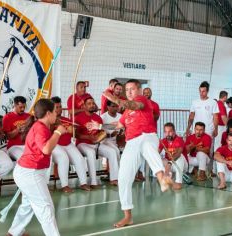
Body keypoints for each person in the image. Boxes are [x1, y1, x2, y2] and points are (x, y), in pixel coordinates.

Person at [102, 79, 173, 228]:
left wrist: (114, 98)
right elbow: (118, 125)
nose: (128, 92)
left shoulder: (142, 100)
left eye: (132, 89)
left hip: (147, 135)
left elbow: (133, 104)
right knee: (123, 178)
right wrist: (99, 125)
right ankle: (128, 216)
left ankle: (161, 178)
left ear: (139, 90)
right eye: (126, 89)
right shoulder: (127, 112)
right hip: (132, 142)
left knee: (147, 145)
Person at [7, 99, 67, 236]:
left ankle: (14, 232)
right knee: (46, 207)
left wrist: (57, 131)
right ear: (48, 113)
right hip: (30, 173)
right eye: (55, 112)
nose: (57, 115)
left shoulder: (41, 126)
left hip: (27, 172)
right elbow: (46, 149)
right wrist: (58, 133)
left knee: (28, 205)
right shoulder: (40, 127)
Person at [75, 97, 119, 187]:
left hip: (96, 144)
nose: (92, 105)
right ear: (84, 106)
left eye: (93, 103)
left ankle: (114, 178)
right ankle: (93, 182)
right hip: (82, 144)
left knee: (112, 151)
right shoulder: (78, 118)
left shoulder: (98, 118)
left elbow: (101, 133)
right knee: (90, 152)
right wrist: (88, 137)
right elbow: (76, 135)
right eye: (89, 104)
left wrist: (99, 138)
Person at [50, 96, 90, 192]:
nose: (59, 109)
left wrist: (72, 130)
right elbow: (48, 133)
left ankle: (83, 183)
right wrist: (55, 124)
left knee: (79, 159)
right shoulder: (50, 120)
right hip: (56, 145)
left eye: (60, 107)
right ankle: (65, 185)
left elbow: (73, 134)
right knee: (63, 158)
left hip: (68, 144)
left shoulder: (66, 119)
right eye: (57, 107)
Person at [158, 123, 187, 190]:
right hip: (170, 166)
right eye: (166, 132)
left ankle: (178, 182)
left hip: (181, 165)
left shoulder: (179, 139)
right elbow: (157, 153)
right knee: (160, 159)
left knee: (180, 156)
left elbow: (179, 153)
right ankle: (167, 176)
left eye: (170, 132)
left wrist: (170, 163)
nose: (167, 134)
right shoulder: (163, 141)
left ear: (174, 131)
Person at [2, 96, 30, 160]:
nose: (23, 109)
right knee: (23, 158)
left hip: (27, 145)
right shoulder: (7, 117)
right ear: (14, 105)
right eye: (20, 107)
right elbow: (8, 136)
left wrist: (27, 129)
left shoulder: (28, 116)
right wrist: (17, 130)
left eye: (24, 107)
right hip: (13, 146)